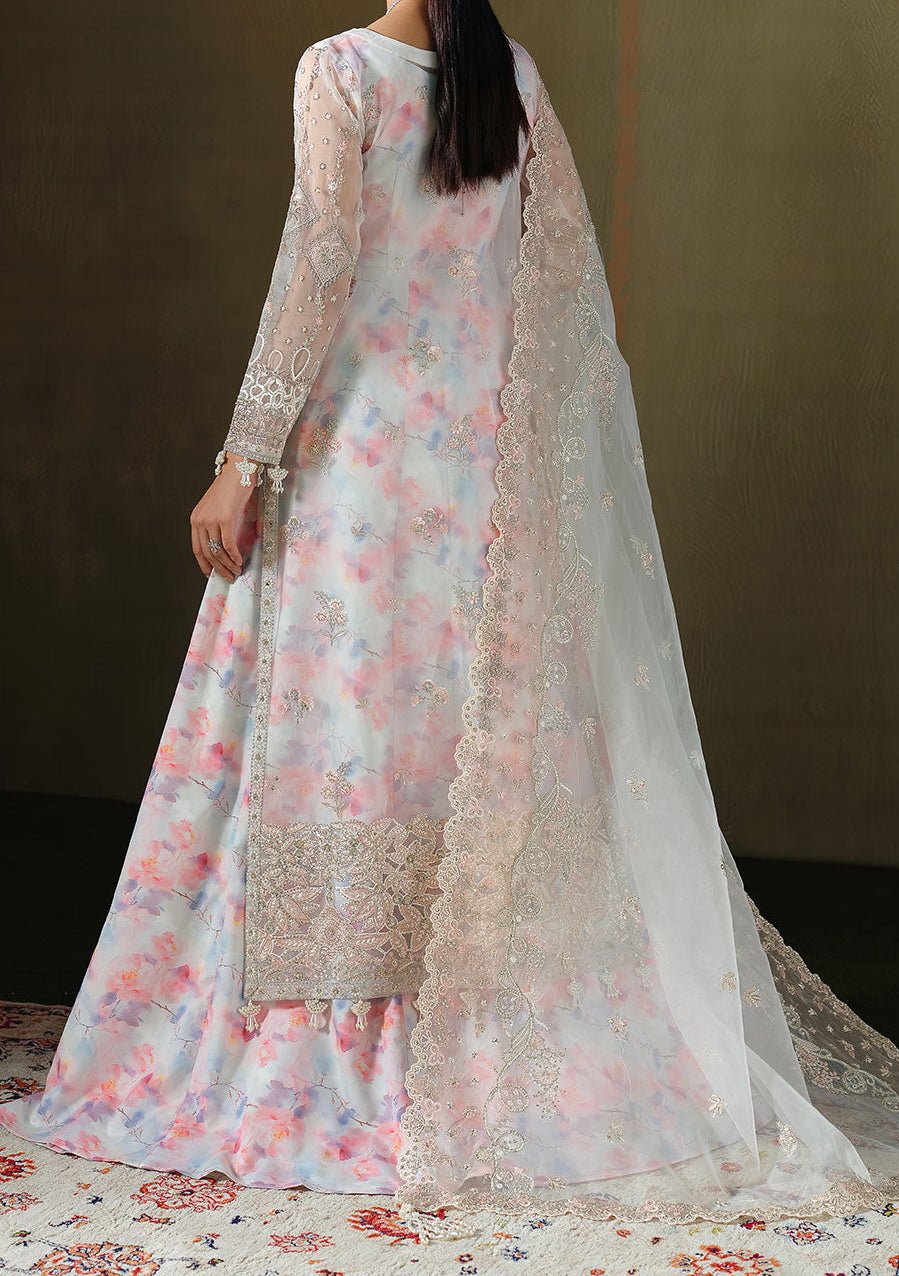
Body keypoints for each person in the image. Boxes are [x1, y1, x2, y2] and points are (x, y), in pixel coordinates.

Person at [2, 0, 897, 1236]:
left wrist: (244, 454)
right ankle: (489, 1036)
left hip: (363, 461)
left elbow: (321, 258)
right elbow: (556, 282)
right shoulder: (508, 76)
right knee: (460, 741)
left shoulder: (340, 72)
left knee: (347, 737)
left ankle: (326, 1054)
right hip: (481, 467)